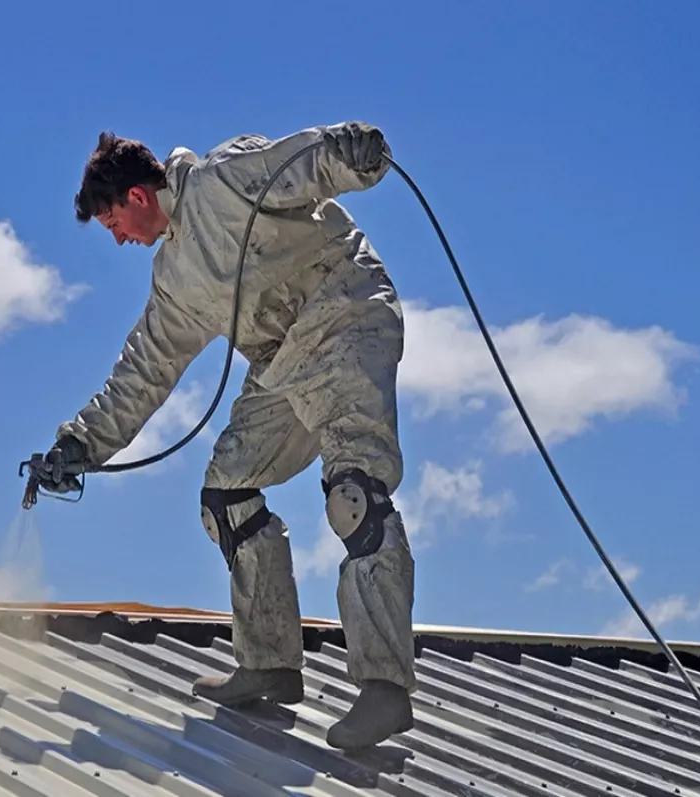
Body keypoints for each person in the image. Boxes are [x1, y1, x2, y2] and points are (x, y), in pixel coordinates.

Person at [34, 121, 416, 751]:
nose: (121, 240)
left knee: (355, 495)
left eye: (114, 226)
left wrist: (355, 156)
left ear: (136, 197)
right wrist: (81, 445)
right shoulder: (174, 280)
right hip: (283, 364)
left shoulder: (222, 182)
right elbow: (145, 369)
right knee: (228, 495)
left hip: (346, 318)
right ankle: (269, 665)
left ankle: (383, 689)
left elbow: (304, 164)